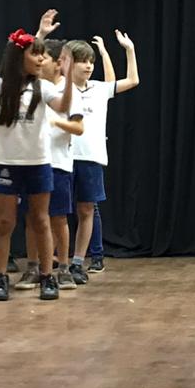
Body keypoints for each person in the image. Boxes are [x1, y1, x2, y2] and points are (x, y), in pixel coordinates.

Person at [0, 27, 76, 301]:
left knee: (40, 220)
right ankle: (0, 277)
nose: (41, 59)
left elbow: (63, 106)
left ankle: (47, 276)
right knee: (4, 222)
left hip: (38, 163)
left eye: (43, 55)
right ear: (19, 56)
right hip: (5, 163)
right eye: (36, 54)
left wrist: (68, 76)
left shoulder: (43, 87)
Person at [65, 28, 140, 279]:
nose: (88, 66)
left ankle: (81, 261)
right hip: (63, 158)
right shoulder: (59, 89)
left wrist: (128, 50)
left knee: (88, 209)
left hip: (91, 158)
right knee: (58, 212)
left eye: (91, 61)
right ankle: (58, 262)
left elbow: (131, 81)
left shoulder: (98, 89)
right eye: (82, 61)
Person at [38, 40, 84, 290]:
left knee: (58, 218)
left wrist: (55, 122)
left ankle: (64, 267)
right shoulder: (34, 86)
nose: (38, 61)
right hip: (35, 161)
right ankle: (34, 267)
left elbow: (78, 127)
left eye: (43, 57)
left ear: (58, 63)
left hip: (58, 163)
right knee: (34, 219)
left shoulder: (69, 90)